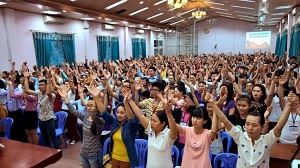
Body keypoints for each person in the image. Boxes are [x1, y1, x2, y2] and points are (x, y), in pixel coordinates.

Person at [211, 90, 295, 168]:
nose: (250, 128)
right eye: (247, 124)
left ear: (262, 127)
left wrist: (289, 106)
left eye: (254, 125)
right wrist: (214, 105)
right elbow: (225, 120)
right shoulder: (239, 136)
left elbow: (279, 126)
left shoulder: (267, 140)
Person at [92, 87, 139, 168]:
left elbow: (131, 119)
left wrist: (126, 103)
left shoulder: (131, 126)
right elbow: (104, 112)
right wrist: (96, 98)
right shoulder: (115, 122)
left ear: (127, 113)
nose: (119, 115)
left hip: (126, 160)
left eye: (122, 113)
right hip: (114, 157)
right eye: (117, 112)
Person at [129, 91, 177, 168]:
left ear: (163, 123)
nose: (151, 123)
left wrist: (168, 113)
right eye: (151, 120)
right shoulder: (150, 129)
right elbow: (140, 115)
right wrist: (130, 101)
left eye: (155, 121)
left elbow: (174, 129)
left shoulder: (168, 134)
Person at [58, 89, 105, 168]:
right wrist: (66, 98)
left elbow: (94, 115)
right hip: (83, 152)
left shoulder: (100, 121)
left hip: (94, 154)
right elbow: (73, 111)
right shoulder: (85, 117)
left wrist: (96, 98)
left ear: (97, 107)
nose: (89, 108)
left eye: (92, 106)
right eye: (88, 106)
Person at [177, 97, 218, 168]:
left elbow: (214, 130)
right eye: (193, 117)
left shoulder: (207, 134)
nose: (194, 120)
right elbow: (174, 126)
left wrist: (215, 109)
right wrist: (168, 113)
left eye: (198, 118)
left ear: (205, 121)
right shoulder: (187, 130)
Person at [24, 71, 59, 149]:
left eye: (42, 85)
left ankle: (57, 152)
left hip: (49, 119)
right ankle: (48, 151)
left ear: (46, 86)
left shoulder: (52, 95)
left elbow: (49, 92)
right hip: (41, 119)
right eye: (39, 85)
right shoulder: (39, 93)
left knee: (53, 137)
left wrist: (49, 79)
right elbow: (27, 90)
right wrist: (26, 78)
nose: (40, 86)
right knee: (45, 137)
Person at [23, 80, 39, 145]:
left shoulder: (34, 95)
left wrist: (24, 86)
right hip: (26, 114)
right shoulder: (26, 94)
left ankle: (36, 147)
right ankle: (31, 147)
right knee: (27, 132)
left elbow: (26, 96)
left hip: (32, 114)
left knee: (33, 133)